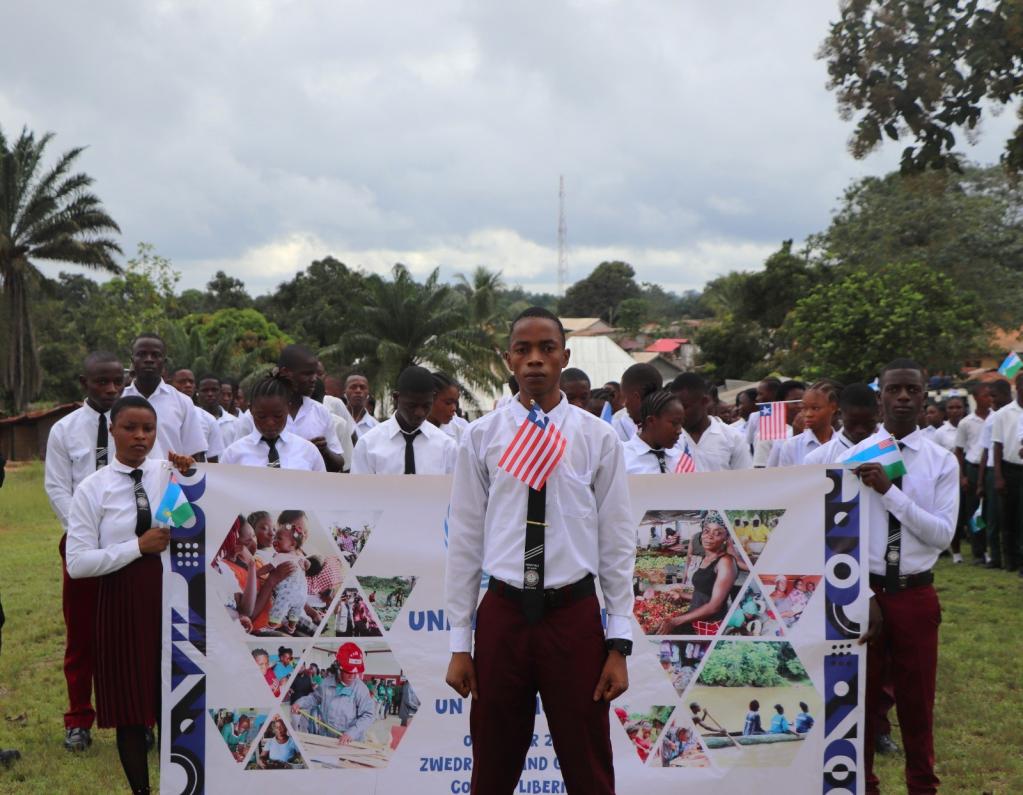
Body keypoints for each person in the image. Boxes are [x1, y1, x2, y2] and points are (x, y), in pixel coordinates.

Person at [444, 306, 634, 795]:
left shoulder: (597, 438)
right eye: (523, 350)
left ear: (564, 357)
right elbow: (465, 540)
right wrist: (458, 645)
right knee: (492, 759)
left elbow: (615, 542)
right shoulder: (481, 437)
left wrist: (618, 643)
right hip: (505, 612)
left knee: (587, 759)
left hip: (572, 616)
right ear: (508, 359)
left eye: (546, 349)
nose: (535, 360)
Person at [65, 395, 194, 795]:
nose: (140, 437)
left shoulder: (167, 472)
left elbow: (188, 523)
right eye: (130, 428)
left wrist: (189, 479)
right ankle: (141, 791)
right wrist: (137, 547)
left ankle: (184, 785)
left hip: (171, 596)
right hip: (120, 601)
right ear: (112, 431)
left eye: (148, 429)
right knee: (129, 706)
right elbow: (78, 563)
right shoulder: (93, 488)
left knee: (173, 699)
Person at [840, 358, 958, 795]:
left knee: (916, 701)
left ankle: (922, 785)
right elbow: (836, 536)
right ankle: (863, 785)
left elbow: (942, 536)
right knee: (860, 701)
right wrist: (862, 591)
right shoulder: (850, 459)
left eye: (912, 389)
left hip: (914, 592)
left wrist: (890, 493)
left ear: (925, 397)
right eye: (894, 390)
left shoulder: (941, 462)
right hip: (863, 592)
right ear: (880, 398)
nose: (903, 397)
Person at [44, 351, 125, 752]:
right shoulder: (63, 430)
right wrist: (82, 530)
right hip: (80, 543)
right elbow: (57, 486)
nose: (111, 389)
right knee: (82, 634)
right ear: (84, 382)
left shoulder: (135, 422)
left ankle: (134, 718)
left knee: (129, 633)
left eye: (117, 382)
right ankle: (78, 719)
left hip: (130, 544)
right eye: (101, 382)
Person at [233, 347, 345, 471]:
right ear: (285, 372)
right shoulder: (251, 417)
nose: (314, 379)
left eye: (315, 374)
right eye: (307, 373)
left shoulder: (321, 412)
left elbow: (338, 465)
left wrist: (323, 451)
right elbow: (236, 461)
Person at [352, 366, 457, 475]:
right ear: (396, 398)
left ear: (433, 398)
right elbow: (359, 490)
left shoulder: (447, 447)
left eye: (426, 406)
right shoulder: (368, 444)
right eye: (412, 405)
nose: (419, 413)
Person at [122, 334, 206, 461]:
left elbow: (195, 454)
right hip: (126, 479)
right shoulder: (119, 400)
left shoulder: (183, 402)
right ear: (133, 360)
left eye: (155, 355)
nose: (149, 359)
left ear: (164, 362)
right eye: (142, 354)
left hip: (170, 479)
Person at [221, 375, 326, 472]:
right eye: (261, 416)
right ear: (251, 410)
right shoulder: (233, 455)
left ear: (288, 409)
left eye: (278, 416)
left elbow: (320, 489)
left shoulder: (308, 451)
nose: (270, 423)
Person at [656, 512, 738, 635]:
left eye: (717, 533)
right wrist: (681, 595)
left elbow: (714, 605)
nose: (709, 536)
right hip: (696, 620)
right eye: (706, 531)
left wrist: (675, 621)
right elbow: (703, 595)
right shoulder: (706, 559)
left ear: (726, 538)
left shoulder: (726, 562)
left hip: (709, 627)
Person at [292, 642, 376, 743]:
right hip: (327, 737)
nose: (353, 676)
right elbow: (314, 698)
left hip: (349, 740)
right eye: (348, 672)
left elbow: (368, 715)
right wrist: (299, 703)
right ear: (339, 669)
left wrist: (352, 732)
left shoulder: (360, 689)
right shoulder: (327, 683)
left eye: (356, 672)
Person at [670, 373, 752, 471]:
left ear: (704, 401)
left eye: (685, 407)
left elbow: (745, 481)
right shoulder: (668, 439)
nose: (679, 413)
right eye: (675, 408)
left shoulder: (733, 438)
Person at [991, 371, 1023, 574]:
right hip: (1010, 470)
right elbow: (997, 446)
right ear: (1019, 389)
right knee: (1009, 516)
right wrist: (999, 476)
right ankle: (1010, 559)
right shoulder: (1004, 414)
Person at [977, 380, 1012, 569]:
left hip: (1014, 467)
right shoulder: (992, 418)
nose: (991, 400)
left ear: (1007, 394)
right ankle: (995, 557)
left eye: (994, 395)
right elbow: (985, 450)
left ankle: (1012, 558)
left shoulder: (1015, 414)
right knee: (993, 517)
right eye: (989, 396)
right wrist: (981, 482)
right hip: (993, 469)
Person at [956, 385, 992, 565]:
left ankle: (992, 549)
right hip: (972, 468)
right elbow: (959, 451)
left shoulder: (996, 417)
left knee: (991, 510)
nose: (990, 399)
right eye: (986, 395)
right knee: (974, 510)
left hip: (992, 468)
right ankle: (979, 551)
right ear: (976, 398)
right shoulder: (966, 422)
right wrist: (962, 476)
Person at [805, 383, 880, 465]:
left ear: (878, 414)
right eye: (853, 423)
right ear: (840, 414)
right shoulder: (817, 459)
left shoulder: (888, 450)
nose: (860, 430)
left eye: (868, 423)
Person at [770, 381, 839, 467]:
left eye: (815, 408)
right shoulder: (790, 446)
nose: (808, 414)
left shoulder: (843, 444)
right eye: (804, 408)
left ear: (833, 408)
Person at [267, 513, 311, 634]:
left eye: (305, 531)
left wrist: (312, 612)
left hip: (299, 608)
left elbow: (300, 585)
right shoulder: (279, 555)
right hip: (283, 608)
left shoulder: (301, 556)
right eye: (298, 530)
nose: (302, 534)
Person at [171, 368, 226, 463]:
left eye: (191, 382)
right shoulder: (156, 412)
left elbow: (212, 459)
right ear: (170, 384)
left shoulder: (208, 419)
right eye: (182, 382)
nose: (188, 385)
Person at [623, 390, 684, 473]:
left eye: (681, 424)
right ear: (651, 421)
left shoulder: (681, 459)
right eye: (674, 423)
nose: (679, 431)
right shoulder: (623, 457)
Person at [612, 363, 662, 442]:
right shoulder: (617, 419)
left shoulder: (671, 432)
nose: (623, 404)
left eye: (625, 398)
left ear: (636, 397)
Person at [196, 373, 239, 449]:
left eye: (214, 390)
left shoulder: (235, 423)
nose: (210, 394)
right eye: (205, 390)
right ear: (198, 393)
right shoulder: (192, 421)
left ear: (220, 392)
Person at [746, 377, 782, 466]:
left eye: (761, 394)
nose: (757, 398)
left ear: (774, 394)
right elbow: (749, 443)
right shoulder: (755, 417)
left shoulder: (787, 416)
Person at [429, 371, 465, 443]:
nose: (454, 408)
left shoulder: (463, 429)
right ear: (430, 398)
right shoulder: (412, 428)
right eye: (448, 403)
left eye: (456, 402)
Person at [345, 373, 378, 439]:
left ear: (368, 392)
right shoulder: (334, 421)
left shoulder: (377, 427)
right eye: (353, 387)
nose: (358, 390)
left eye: (362, 387)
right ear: (345, 391)